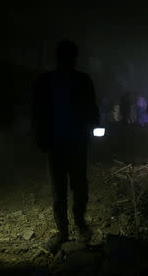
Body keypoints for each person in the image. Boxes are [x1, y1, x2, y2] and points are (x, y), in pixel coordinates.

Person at [32, 40, 99, 252]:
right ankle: (70, 228)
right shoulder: (77, 79)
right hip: (65, 142)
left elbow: (37, 111)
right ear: (70, 57)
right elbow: (38, 111)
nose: (70, 60)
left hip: (67, 142)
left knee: (69, 189)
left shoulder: (51, 80)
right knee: (69, 188)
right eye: (70, 56)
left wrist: (94, 125)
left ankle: (71, 228)